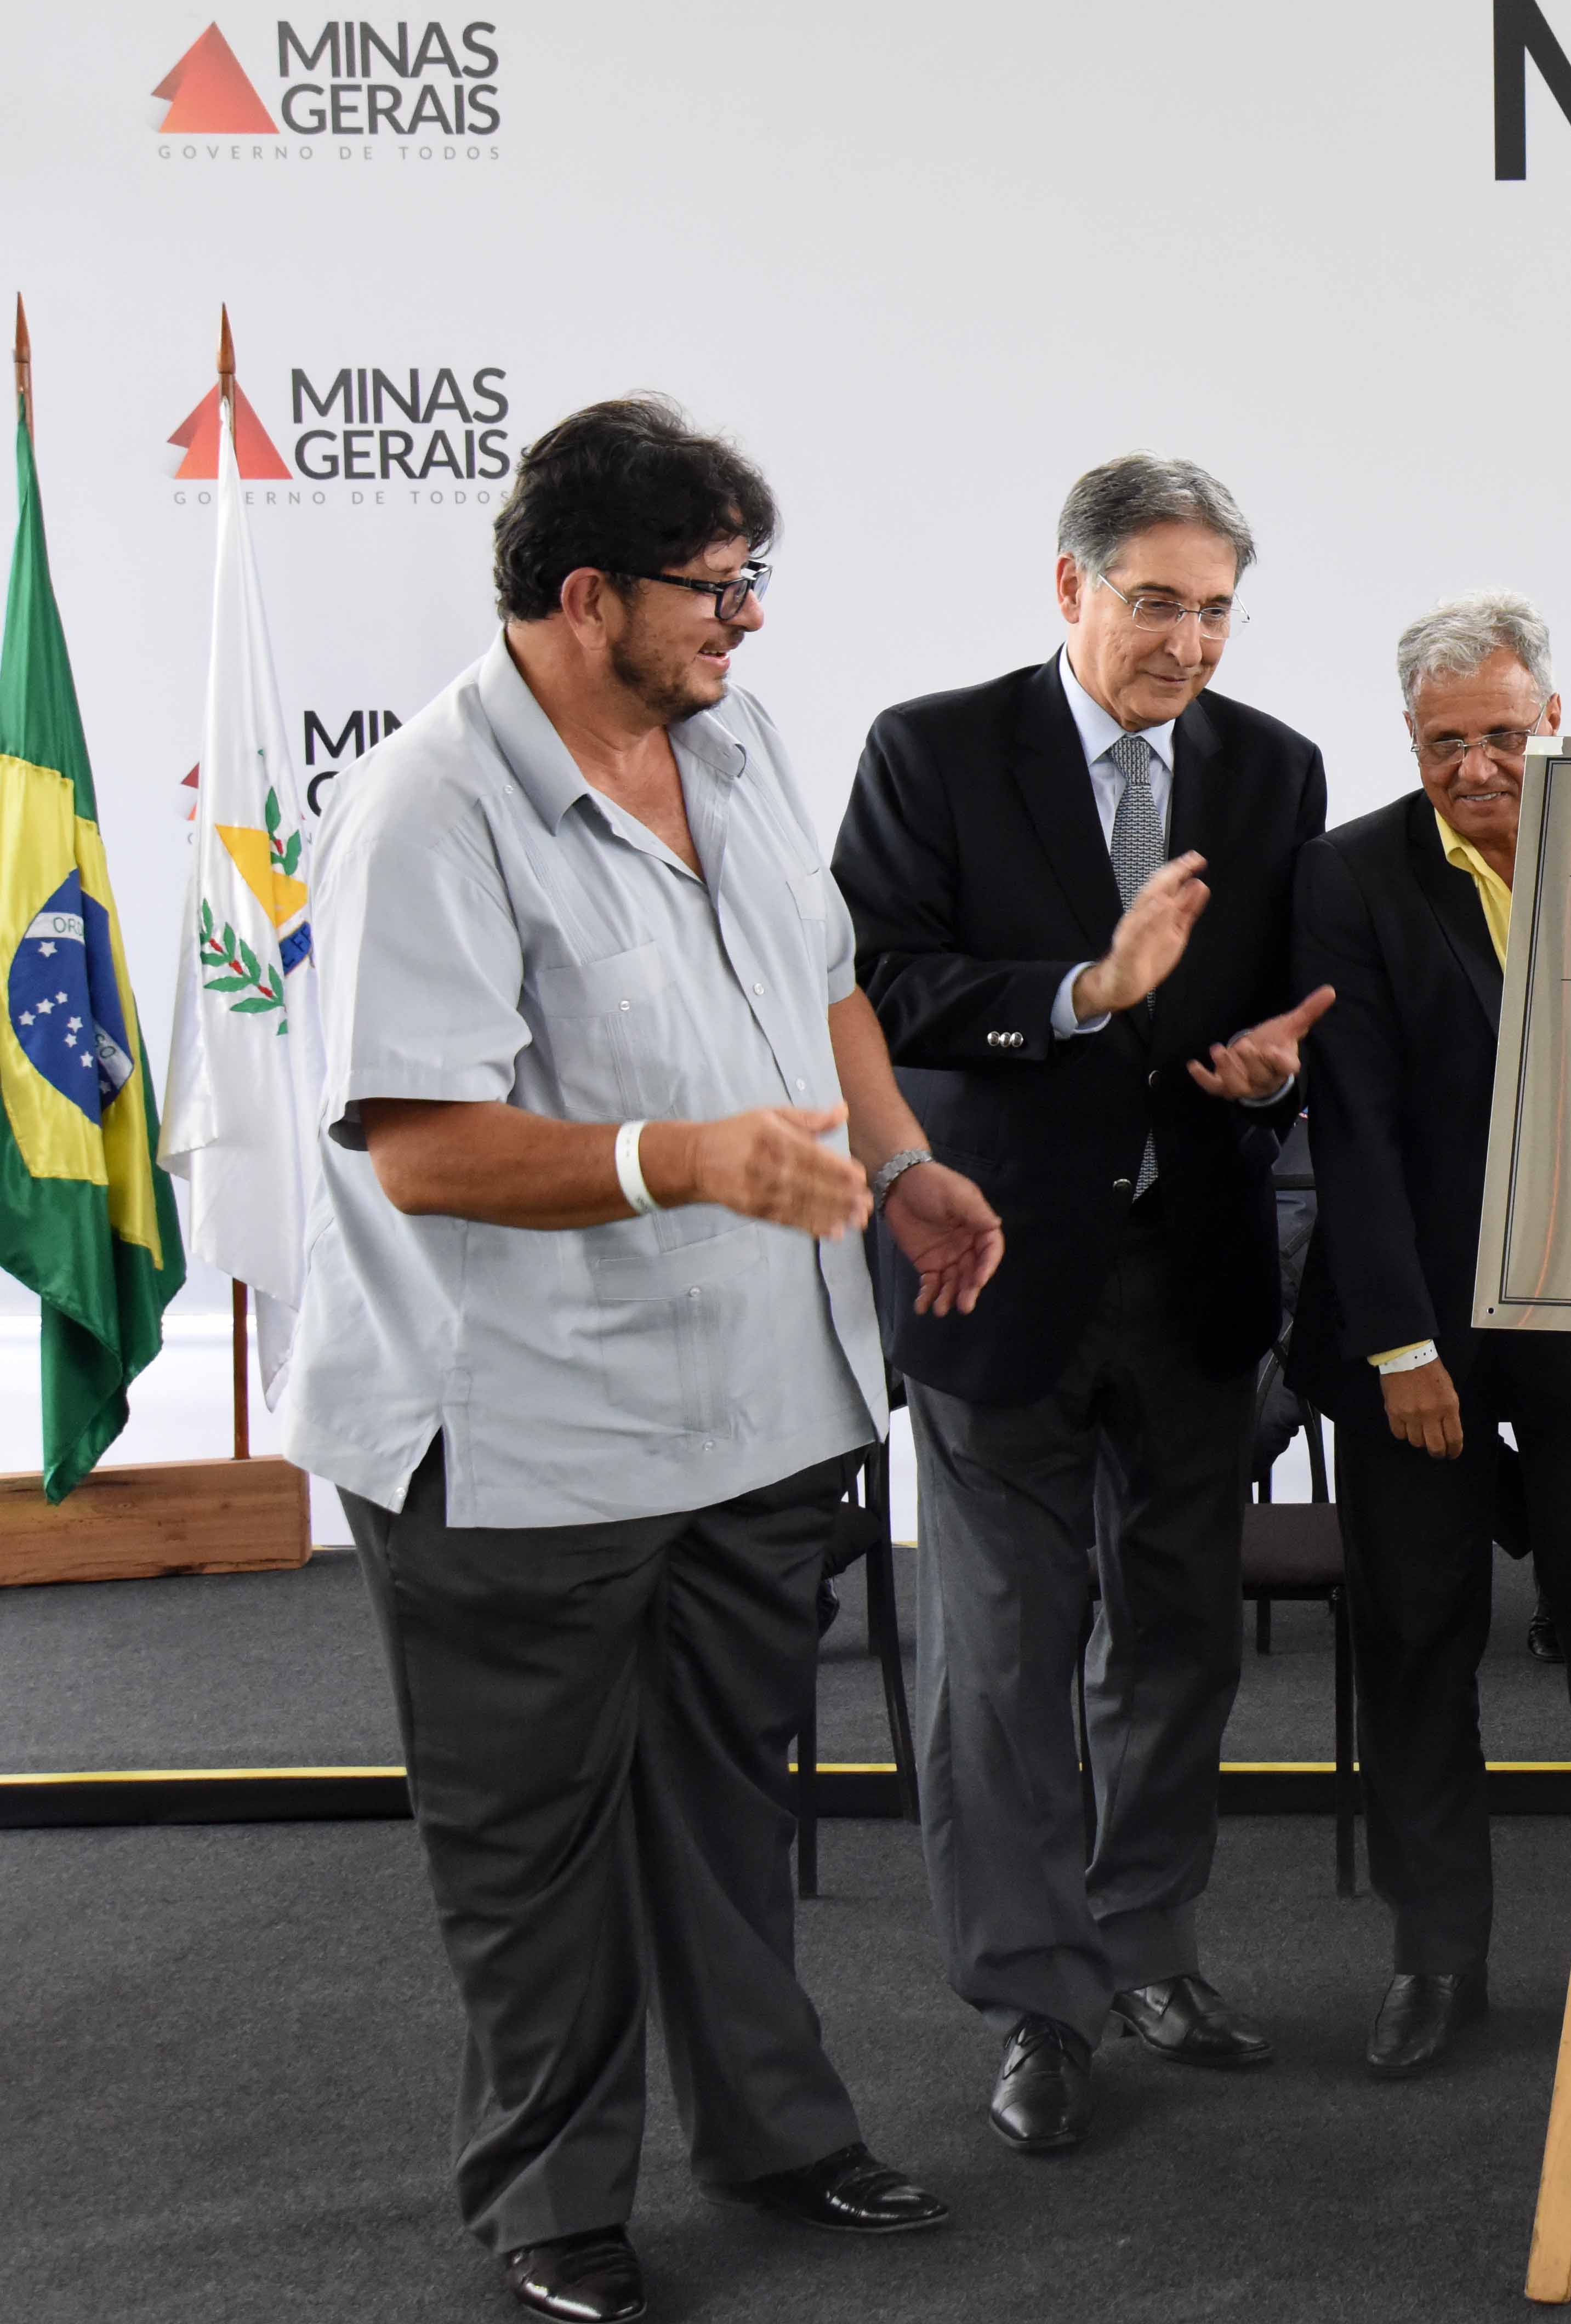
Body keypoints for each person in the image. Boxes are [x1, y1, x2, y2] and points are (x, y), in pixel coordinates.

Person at [287, 398, 984, 2324]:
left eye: (755, 579)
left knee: (731, 1803)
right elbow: (424, 1145)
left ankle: (775, 2134)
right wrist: (680, 1160)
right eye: (716, 586)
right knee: (536, 1850)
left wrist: (904, 1166)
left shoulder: (732, 740)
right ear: (586, 595)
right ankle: (555, 2203)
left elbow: (827, 984)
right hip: (519, 1436)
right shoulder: (428, 809)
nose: (748, 618)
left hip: (753, 1404)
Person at [832, 458, 1331, 2154]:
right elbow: (877, 981)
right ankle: (1037, 2004)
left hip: (1194, 1281)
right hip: (991, 1268)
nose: (1188, 642)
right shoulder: (932, 750)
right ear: (1070, 588)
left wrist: (1270, 1074)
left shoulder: (1272, 768)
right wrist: (1077, 992)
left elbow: (1278, 1008)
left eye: (1215, 611)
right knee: (1004, 1658)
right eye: (1155, 602)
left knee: (1180, 1642)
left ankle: (1148, 1953)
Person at [1283, 590, 1571, 2076]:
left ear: (1555, 721)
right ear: (1410, 740)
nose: (1477, 767)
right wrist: (1402, 1350)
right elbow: (1354, 1129)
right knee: (1414, 1636)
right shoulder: (1348, 874)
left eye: (1504, 736)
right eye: (1445, 742)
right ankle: (1436, 1953)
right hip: (1419, 1324)